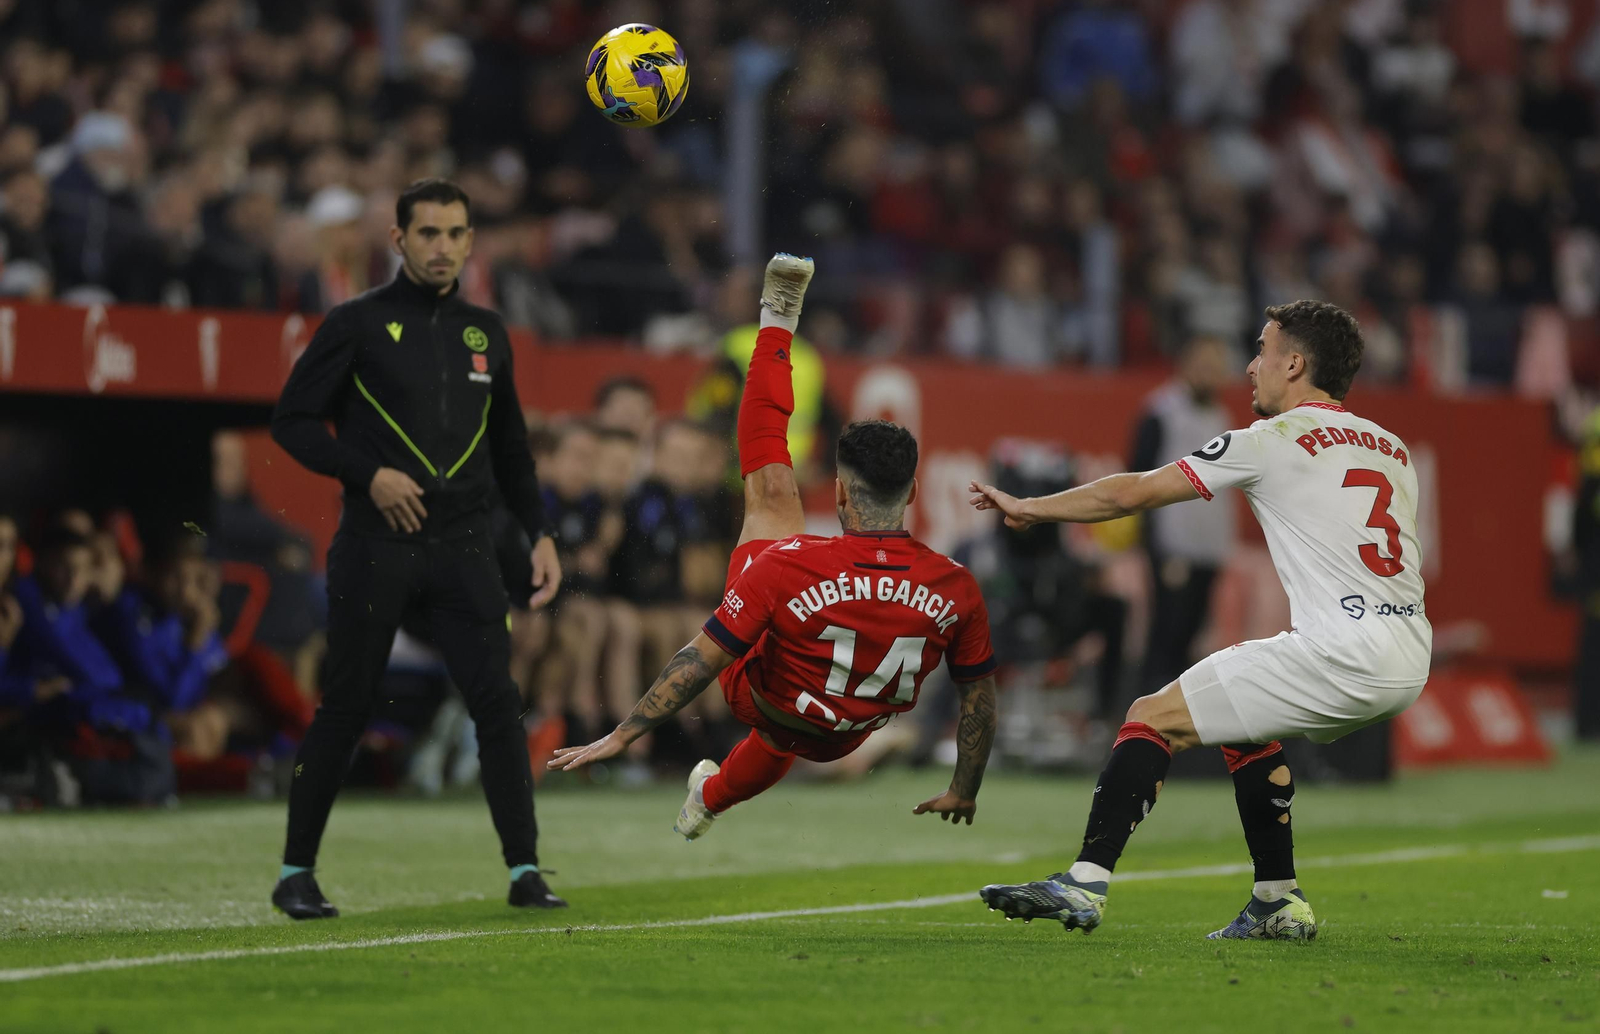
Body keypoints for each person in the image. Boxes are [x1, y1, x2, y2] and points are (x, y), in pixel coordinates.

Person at [972, 299, 1429, 940]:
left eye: (1263, 351)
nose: (1249, 367)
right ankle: (1277, 901)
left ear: (1294, 363)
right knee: (1244, 728)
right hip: (1407, 652)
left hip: (1342, 650)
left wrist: (1031, 507)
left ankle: (1084, 881)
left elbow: (1128, 493)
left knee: (1150, 716)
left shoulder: (1270, 440)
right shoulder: (1392, 448)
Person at [548, 255, 1000, 838]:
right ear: (914, 490)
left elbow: (699, 661)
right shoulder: (958, 584)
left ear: (837, 491)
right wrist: (965, 786)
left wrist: (624, 733)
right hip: (850, 733)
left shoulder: (784, 564)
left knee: (769, 491)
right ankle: (709, 797)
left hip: (763, 701)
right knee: (790, 706)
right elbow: (979, 701)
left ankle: (776, 320)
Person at [268, 178, 565, 919]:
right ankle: (294, 871)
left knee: (497, 703)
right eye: (427, 233)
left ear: (471, 242)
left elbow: (511, 449)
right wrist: (368, 474)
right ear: (396, 240)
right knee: (346, 704)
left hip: (464, 546)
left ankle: (526, 869)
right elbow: (293, 421)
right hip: (378, 543)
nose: (441, 247)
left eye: (455, 233)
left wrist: (542, 532)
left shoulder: (486, 333)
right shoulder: (355, 324)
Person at [1129, 334, 1236, 696]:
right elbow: (1138, 479)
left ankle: (1178, 725)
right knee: (1166, 635)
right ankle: (1145, 721)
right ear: (1184, 364)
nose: (1211, 373)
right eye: (1203, 363)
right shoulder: (1161, 411)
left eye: (1216, 365)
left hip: (1208, 547)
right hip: (1173, 547)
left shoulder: (1221, 415)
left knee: (1190, 638)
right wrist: (1155, 547)